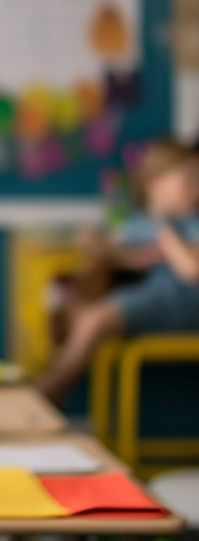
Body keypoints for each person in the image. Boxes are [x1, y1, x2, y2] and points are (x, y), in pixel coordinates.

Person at [39, 138, 199, 404]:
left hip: (183, 304)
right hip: (146, 298)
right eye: (189, 180)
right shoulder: (137, 223)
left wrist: (165, 235)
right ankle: (50, 374)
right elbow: (114, 251)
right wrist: (104, 247)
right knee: (77, 303)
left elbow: (192, 271)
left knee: (94, 319)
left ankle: (50, 391)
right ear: (155, 184)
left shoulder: (190, 225)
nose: (196, 190)